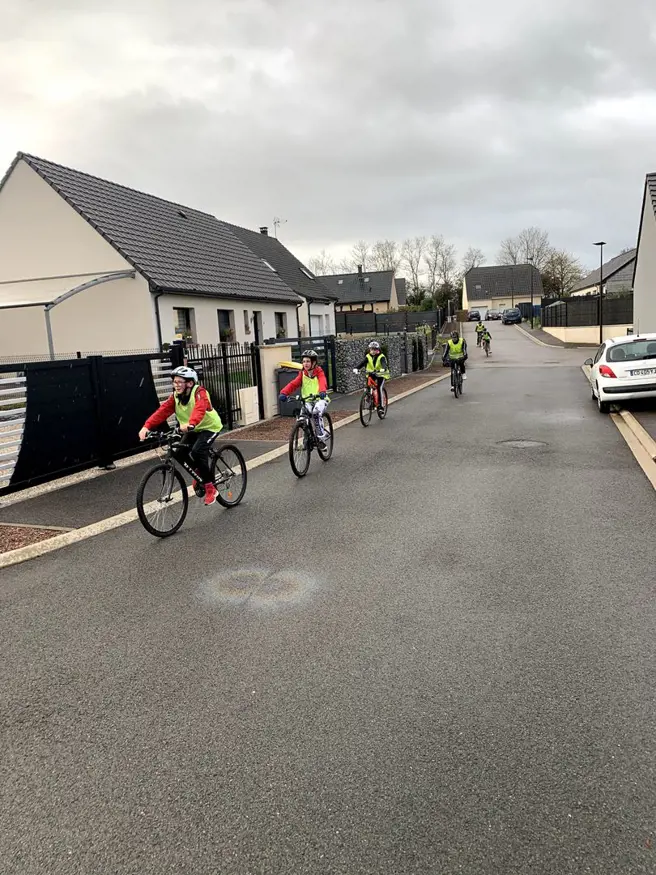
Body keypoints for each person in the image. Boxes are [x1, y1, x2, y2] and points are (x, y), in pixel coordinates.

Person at [138, 366, 223, 506]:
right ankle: (199, 472)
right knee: (179, 453)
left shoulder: (200, 393)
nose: (176, 385)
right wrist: (146, 426)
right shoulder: (176, 397)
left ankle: (210, 489)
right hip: (192, 429)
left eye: (179, 382)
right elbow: (163, 411)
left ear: (190, 383)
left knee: (197, 451)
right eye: (174, 382)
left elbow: (200, 409)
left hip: (209, 427)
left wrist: (191, 423)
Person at [279, 349, 329, 448]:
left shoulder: (319, 372)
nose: (305, 364)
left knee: (316, 413)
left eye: (308, 361)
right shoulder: (302, 374)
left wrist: (322, 391)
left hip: (320, 399)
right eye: (304, 361)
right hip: (307, 401)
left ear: (313, 363)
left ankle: (321, 438)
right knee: (301, 419)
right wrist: (284, 393)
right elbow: (293, 384)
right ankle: (307, 439)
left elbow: (322, 381)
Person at [352, 340, 390, 411]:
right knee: (368, 387)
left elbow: (384, 364)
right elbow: (362, 363)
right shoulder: (368, 356)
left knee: (379, 388)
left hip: (381, 374)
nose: (373, 351)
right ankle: (371, 401)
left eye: (375, 349)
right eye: (371, 349)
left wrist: (383, 368)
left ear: (378, 350)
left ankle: (381, 406)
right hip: (371, 373)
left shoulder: (381, 356)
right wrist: (356, 368)